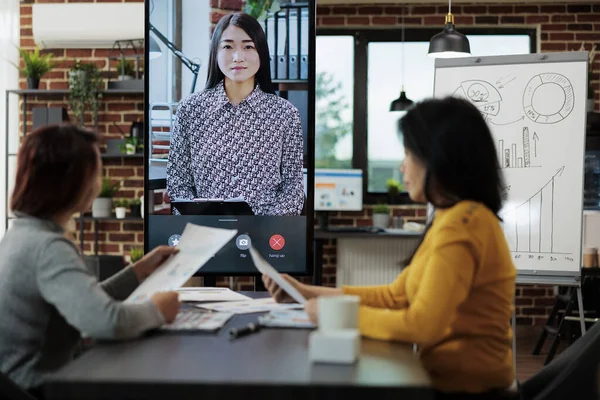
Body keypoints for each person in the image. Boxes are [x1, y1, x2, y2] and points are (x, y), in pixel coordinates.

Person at [264, 97, 517, 398]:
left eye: (409, 154)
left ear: (438, 157)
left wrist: (330, 313)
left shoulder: (462, 224)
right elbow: (395, 296)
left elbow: (422, 325)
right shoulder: (457, 217)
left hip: (468, 391)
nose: (402, 166)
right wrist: (307, 291)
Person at [0, 124, 181, 398]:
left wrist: (138, 271)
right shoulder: (48, 248)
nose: (99, 183)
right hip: (39, 389)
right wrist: (157, 310)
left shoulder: (21, 235)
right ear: (73, 181)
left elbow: (85, 302)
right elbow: (107, 321)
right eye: (96, 172)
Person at [166, 12, 305, 216]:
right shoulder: (190, 110)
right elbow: (178, 182)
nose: (237, 57)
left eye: (248, 46)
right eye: (228, 46)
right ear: (215, 52)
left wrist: (264, 228)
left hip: (267, 237)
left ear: (261, 52)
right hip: (204, 233)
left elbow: (293, 191)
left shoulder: (285, 114)